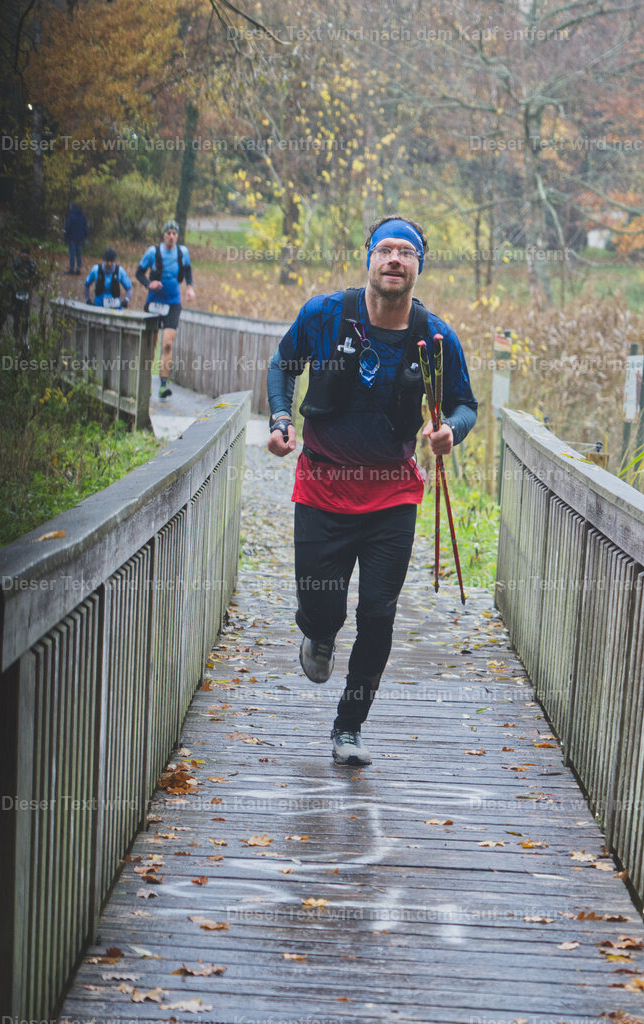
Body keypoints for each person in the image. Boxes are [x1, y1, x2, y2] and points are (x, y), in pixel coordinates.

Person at [266, 215, 478, 767]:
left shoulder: (434, 337)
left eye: (406, 253)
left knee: (378, 614)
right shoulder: (324, 315)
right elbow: (283, 365)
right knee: (323, 607)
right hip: (321, 487)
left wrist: (450, 430)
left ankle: (349, 728)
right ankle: (317, 632)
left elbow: (464, 403)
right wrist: (281, 417)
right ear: (369, 257)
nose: (395, 260)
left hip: (392, 497)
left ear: (417, 268)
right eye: (386, 249)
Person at [136, 219, 195, 399]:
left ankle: (163, 384)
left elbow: (187, 272)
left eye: (174, 233)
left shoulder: (182, 252)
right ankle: (144, 383)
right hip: (154, 301)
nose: (171, 236)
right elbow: (139, 273)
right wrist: (148, 283)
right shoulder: (153, 252)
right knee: (151, 344)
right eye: (168, 233)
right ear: (164, 235)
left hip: (173, 302)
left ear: (177, 236)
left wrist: (190, 287)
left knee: (168, 343)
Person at [11, 245, 38, 345]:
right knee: (16, 315)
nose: (25, 255)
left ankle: (24, 336)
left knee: (26, 316)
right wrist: (18, 282)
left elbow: (35, 277)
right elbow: (11, 275)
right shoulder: (16, 263)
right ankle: (16, 336)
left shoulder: (32, 265)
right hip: (16, 292)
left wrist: (30, 282)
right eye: (23, 253)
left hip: (26, 293)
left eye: (26, 253)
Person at [64, 202, 88, 275]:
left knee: (72, 254)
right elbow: (85, 227)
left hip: (71, 237)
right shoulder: (83, 216)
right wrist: (85, 236)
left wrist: (66, 234)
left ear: (71, 207)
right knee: (79, 254)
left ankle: (71, 269)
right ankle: (78, 269)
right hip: (80, 238)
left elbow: (67, 226)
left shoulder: (70, 216)